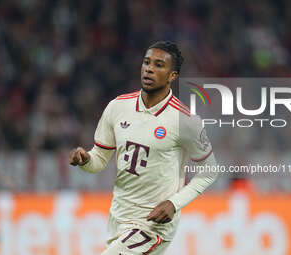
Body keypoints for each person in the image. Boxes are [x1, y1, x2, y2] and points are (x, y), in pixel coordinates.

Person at [69, 41, 218, 254]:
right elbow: (99, 159)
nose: (149, 68)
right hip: (119, 217)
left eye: (159, 65)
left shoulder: (185, 120)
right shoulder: (118, 107)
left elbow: (210, 170)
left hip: (152, 225)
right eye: (147, 62)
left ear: (172, 76)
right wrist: (85, 160)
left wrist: (174, 203)